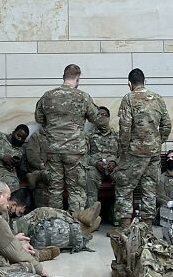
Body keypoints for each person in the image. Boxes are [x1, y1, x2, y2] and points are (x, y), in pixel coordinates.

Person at [34, 63, 99, 215]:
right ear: (78, 79)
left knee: (55, 189)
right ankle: (76, 226)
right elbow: (96, 118)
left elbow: (39, 118)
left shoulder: (47, 96)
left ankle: (56, 227)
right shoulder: (83, 97)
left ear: (63, 77)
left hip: (53, 150)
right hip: (74, 152)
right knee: (76, 189)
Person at [114, 68, 171, 227]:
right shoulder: (158, 99)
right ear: (145, 81)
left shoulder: (129, 98)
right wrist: (158, 142)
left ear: (129, 84)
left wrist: (123, 149)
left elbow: (125, 127)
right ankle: (147, 229)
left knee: (124, 187)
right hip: (153, 152)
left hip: (134, 151)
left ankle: (125, 227)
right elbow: (166, 125)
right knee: (149, 189)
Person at [8, 188, 100, 253]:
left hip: (11, 229)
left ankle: (79, 220)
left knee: (41, 214)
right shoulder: (3, 206)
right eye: (20, 212)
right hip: (11, 230)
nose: (18, 214)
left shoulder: (4, 205)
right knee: (39, 213)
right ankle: (80, 220)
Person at [85, 106, 119, 209]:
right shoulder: (88, 136)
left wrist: (114, 163)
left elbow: (124, 155)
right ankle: (91, 215)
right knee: (89, 177)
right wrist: (96, 163)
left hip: (113, 167)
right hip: (95, 167)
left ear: (109, 118)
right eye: (99, 115)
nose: (102, 117)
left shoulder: (117, 135)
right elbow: (84, 155)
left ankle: (120, 216)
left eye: (105, 115)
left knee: (123, 177)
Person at [24, 128, 50, 207]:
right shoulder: (37, 136)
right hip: (44, 169)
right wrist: (42, 166)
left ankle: (38, 175)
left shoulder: (65, 135)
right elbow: (32, 157)